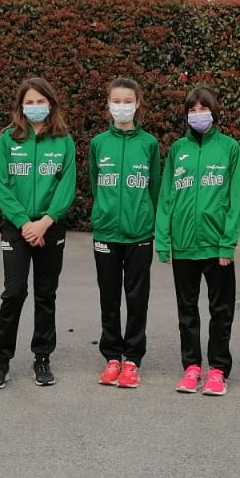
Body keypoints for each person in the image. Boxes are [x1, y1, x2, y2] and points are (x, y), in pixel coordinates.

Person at [154, 86, 240, 397]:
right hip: (183, 246)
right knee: (187, 311)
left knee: (221, 311)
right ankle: (192, 367)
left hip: (216, 246)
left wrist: (227, 243)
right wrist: (163, 240)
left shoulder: (229, 148)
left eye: (203, 109)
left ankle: (218, 369)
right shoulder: (178, 150)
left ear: (213, 112)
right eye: (192, 110)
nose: (198, 114)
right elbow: (167, 197)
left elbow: (236, 198)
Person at [0, 76, 76, 389]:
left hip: (50, 227)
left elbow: (66, 187)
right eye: (30, 102)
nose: (35, 106)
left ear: (50, 104)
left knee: (45, 294)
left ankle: (42, 357)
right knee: (14, 293)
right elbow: (1, 185)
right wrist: (25, 223)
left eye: (41, 101)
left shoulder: (63, 141)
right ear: (20, 106)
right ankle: (1, 359)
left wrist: (45, 221)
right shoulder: (7, 139)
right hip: (17, 228)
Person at [88, 77, 162, 388]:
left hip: (139, 233)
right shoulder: (98, 143)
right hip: (106, 233)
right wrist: (103, 213)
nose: (122, 107)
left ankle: (132, 359)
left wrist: (148, 221)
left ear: (137, 104)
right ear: (108, 104)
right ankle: (112, 357)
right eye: (116, 101)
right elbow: (95, 183)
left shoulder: (149, 144)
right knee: (109, 297)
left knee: (136, 298)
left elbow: (154, 188)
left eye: (127, 101)